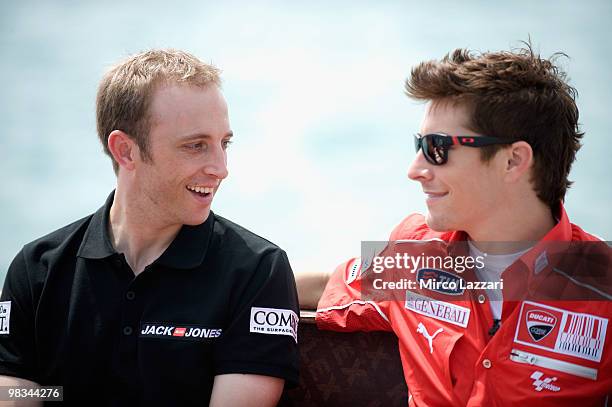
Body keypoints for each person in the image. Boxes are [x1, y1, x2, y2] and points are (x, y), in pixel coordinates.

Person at [299, 44, 611, 406]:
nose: (414, 169)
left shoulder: (601, 286)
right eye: (418, 145)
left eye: (437, 148)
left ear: (513, 160)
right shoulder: (411, 253)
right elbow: (325, 286)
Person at [0, 49, 299, 406]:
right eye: (196, 146)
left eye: (224, 143)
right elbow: (17, 391)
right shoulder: (36, 270)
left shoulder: (258, 271)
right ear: (125, 151)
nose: (221, 168)